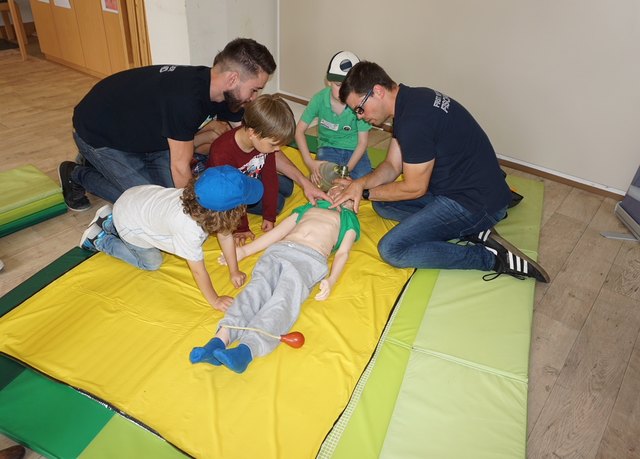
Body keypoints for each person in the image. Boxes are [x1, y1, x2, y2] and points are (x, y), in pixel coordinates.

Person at [331, 61, 550, 283]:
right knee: (383, 203)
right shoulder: (412, 100)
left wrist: (366, 194)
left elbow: (415, 188)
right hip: (468, 187)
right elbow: (392, 166)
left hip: (474, 203)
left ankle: (491, 258)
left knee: (392, 249)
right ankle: (470, 230)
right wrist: (359, 185)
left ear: (377, 91)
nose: (359, 116)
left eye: (359, 108)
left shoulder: (413, 123)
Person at [59, 38, 328, 211]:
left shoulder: (225, 96)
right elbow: (180, 167)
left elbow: (259, 142)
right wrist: (201, 214)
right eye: (255, 90)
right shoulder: (184, 99)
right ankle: (77, 173)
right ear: (233, 79)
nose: (255, 98)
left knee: (167, 192)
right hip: (100, 133)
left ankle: (98, 165)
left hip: (149, 137)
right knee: (150, 204)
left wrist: (304, 182)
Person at [189, 185, 360, 373]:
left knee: (283, 300)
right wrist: (245, 251)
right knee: (255, 291)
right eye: (333, 187)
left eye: (344, 189)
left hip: (309, 260)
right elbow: (278, 232)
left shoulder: (348, 218)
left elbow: (343, 253)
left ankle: (246, 351)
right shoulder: (308, 207)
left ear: (354, 201)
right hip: (280, 250)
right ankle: (220, 339)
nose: (337, 191)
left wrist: (332, 280)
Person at [78, 166, 264, 312]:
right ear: (227, 213)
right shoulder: (189, 230)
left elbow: (225, 236)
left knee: (148, 229)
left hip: (135, 198)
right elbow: (198, 272)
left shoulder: (200, 197)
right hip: (130, 220)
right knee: (152, 263)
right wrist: (215, 300)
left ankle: (111, 221)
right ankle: (101, 239)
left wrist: (234, 270)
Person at [206, 94, 296, 246]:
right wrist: (241, 227)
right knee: (279, 203)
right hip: (228, 190)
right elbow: (232, 195)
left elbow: (269, 176)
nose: (277, 149)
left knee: (287, 186)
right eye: (273, 144)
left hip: (248, 177)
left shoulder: (261, 142)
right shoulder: (222, 152)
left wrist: (269, 215)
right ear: (253, 133)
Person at [295, 51, 372, 186]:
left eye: (349, 87)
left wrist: (347, 171)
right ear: (328, 81)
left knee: (366, 182)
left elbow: (362, 143)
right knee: (323, 181)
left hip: (354, 151)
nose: (343, 91)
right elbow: (299, 131)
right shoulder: (319, 99)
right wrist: (309, 162)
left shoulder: (359, 105)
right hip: (328, 148)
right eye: (338, 85)